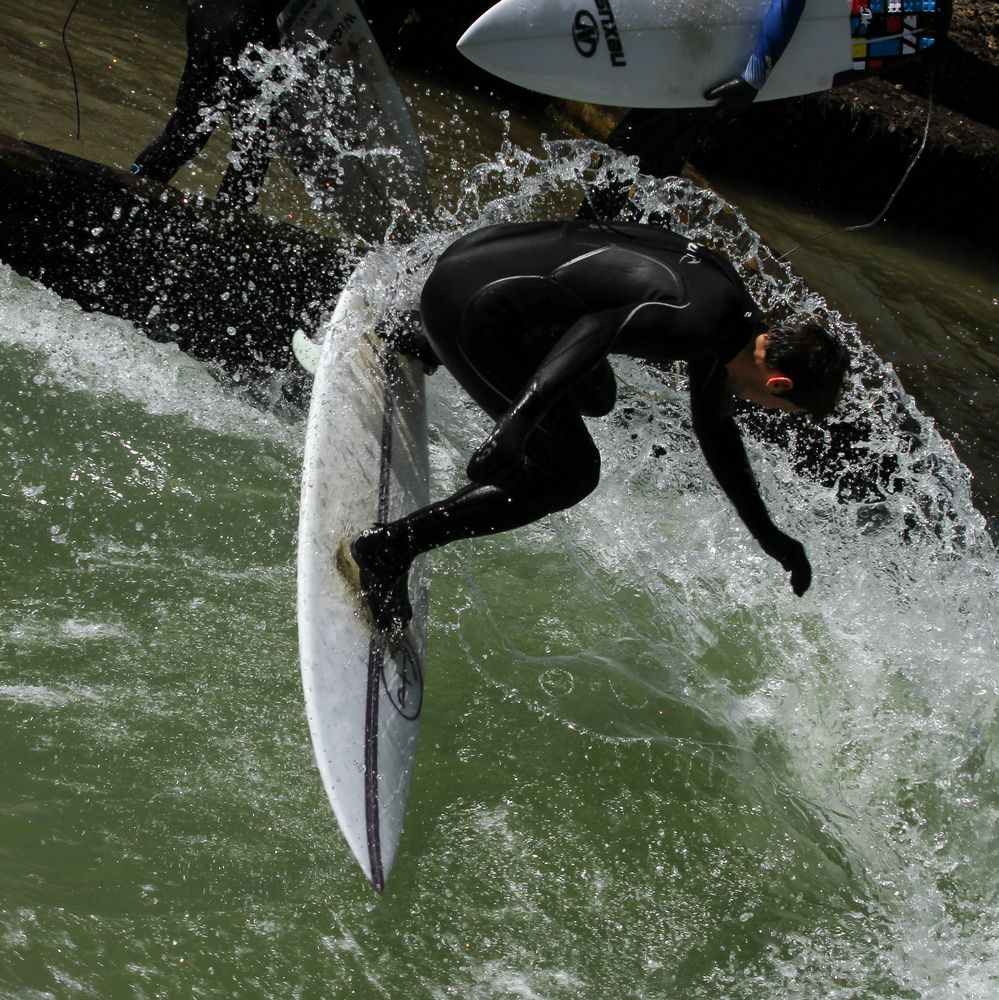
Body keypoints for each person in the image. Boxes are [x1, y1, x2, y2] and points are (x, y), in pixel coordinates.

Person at [345, 220, 850, 631]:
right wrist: (517, 426)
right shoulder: (698, 327)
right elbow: (596, 329)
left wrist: (767, 535)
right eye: (778, 406)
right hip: (470, 306)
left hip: (473, 258)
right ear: (778, 382)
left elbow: (713, 427)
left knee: (596, 393)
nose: (757, 406)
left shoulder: (731, 310)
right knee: (571, 474)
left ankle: (424, 339)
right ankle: (388, 550)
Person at [131, 0, 286, 206]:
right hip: (242, 26)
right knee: (253, 151)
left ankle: (129, 192)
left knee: (183, 135)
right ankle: (227, 225)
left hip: (206, 16)